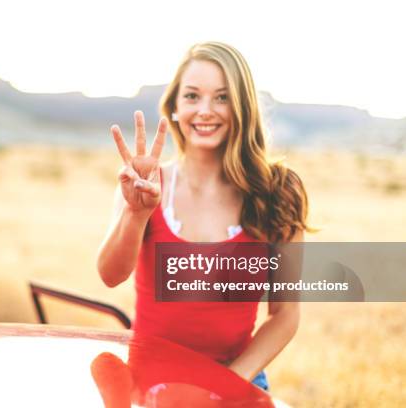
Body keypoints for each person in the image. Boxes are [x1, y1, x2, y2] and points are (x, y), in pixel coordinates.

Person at [96, 42, 312, 391]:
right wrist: (136, 215)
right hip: (149, 379)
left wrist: (225, 385)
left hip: (235, 376)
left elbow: (285, 316)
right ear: (175, 108)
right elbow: (109, 275)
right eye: (193, 96)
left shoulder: (278, 192)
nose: (205, 110)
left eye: (222, 97)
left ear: (242, 107)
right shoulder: (148, 184)